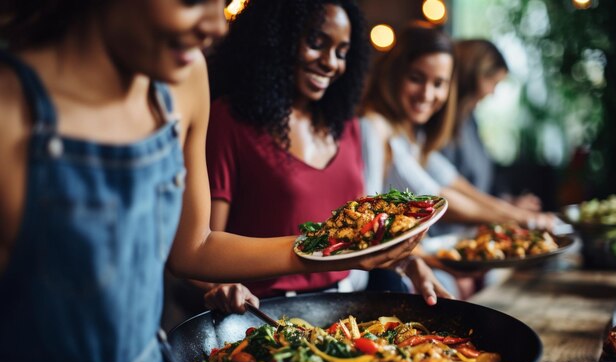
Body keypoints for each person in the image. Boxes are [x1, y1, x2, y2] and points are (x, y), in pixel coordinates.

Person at [0, 1, 424, 362]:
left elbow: (194, 247)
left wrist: (339, 248)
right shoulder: (11, 108)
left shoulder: (185, 82)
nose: (218, 26)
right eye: (193, 1)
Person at [162, 0, 451, 321]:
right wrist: (223, 286)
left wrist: (408, 263)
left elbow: (357, 231)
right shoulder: (229, 123)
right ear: (278, 38)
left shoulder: (347, 128)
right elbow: (201, 248)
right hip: (267, 315)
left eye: (342, 52)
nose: (330, 63)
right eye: (317, 43)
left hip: (349, 311)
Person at [359, 22, 556, 297]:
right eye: (416, 78)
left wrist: (518, 216)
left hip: (407, 260)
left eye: (438, 84)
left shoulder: (413, 134)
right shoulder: (372, 126)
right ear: (394, 74)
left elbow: (454, 184)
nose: (427, 95)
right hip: (375, 277)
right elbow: (435, 199)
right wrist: (520, 218)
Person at [439, 39, 541, 219]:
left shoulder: (469, 120)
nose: (492, 93)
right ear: (474, 75)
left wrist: (506, 204)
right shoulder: (440, 123)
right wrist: (510, 214)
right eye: (492, 83)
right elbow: (442, 188)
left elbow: (477, 183)